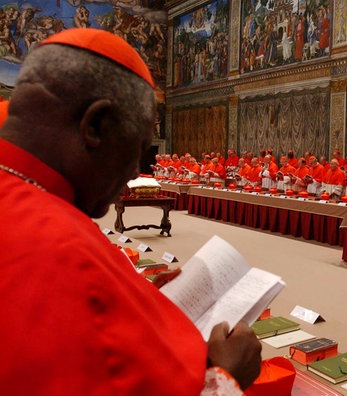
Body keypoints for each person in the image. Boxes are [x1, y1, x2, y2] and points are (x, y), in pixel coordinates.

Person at [0, 28, 261, 394]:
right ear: (95, 125)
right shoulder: (61, 253)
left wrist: (136, 296)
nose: (137, 171)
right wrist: (225, 375)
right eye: (138, 148)